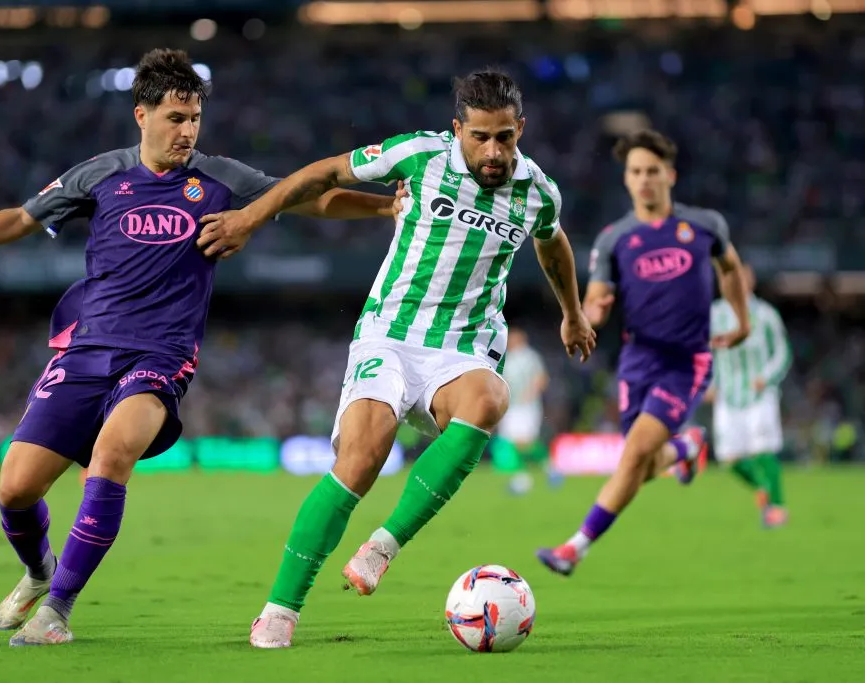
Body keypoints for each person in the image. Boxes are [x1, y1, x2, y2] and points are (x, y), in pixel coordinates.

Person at [0, 48, 403, 647]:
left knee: (112, 455)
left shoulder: (220, 179)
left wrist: (386, 208)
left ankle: (57, 610)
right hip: (86, 350)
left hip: (160, 357)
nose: (187, 131)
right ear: (142, 115)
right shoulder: (99, 174)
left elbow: (307, 197)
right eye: (175, 118)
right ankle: (38, 573)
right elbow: (24, 218)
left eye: (195, 119)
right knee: (15, 489)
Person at [198, 69, 597, 648]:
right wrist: (248, 219)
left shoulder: (538, 190)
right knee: (362, 457)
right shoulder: (418, 154)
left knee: (491, 396)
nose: (493, 151)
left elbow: (551, 239)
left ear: (521, 129)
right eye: (480, 137)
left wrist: (573, 312)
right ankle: (280, 609)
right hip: (390, 333)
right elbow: (323, 174)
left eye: (505, 137)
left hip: (464, 345)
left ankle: (382, 546)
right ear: (457, 129)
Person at [536, 129, 750, 577]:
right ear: (626, 179)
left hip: (686, 362)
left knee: (633, 456)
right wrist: (589, 316)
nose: (644, 179)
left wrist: (741, 320)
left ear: (670, 175)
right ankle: (687, 446)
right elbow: (595, 299)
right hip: (637, 362)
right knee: (643, 464)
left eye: (653, 171)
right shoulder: (615, 239)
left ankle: (574, 547)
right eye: (636, 172)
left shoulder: (704, 226)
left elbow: (730, 268)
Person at [706, 263, 790, 528]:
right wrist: (709, 383)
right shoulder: (714, 314)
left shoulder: (765, 315)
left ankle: (777, 508)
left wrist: (767, 377)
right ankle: (764, 487)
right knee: (728, 457)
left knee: (763, 450)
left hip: (759, 393)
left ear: (751, 281)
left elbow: (783, 352)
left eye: (742, 278)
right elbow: (706, 353)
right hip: (728, 394)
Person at [498, 326, 558, 493]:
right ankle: (529, 474)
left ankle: (544, 468)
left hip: (527, 406)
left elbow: (542, 378)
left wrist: (531, 393)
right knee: (514, 442)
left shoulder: (530, 357)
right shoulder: (507, 358)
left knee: (525, 442)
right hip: (512, 406)